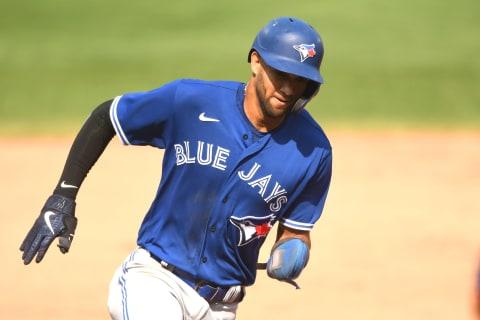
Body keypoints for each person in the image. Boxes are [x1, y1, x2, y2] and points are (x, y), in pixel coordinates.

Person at [20, 16, 332, 320]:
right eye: (281, 74)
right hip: (154, 282)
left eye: (300, 80)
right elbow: (107, 117)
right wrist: (63, 197)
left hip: (222, 307)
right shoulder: (193, 101)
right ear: (256, 62)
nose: (289, 89)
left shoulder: (313, 151)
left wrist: (294, 249)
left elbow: (296, 232)